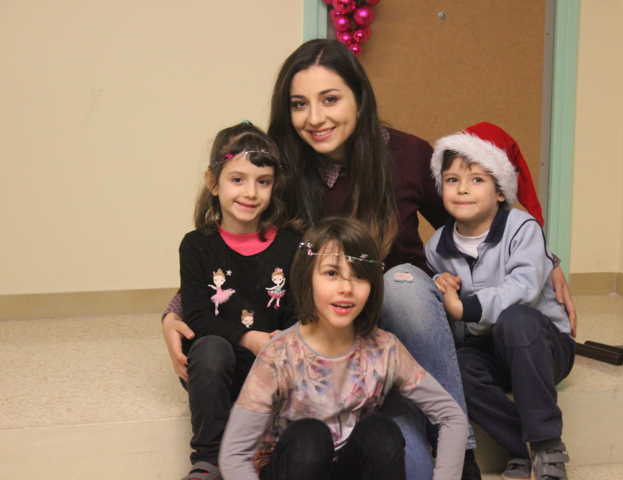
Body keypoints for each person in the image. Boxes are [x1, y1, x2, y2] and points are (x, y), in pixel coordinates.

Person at [162, 39, 576, 479]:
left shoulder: (409, 155)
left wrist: (541, 256)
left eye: (330, 99)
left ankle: (464, 454)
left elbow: (476, 214)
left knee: (402, 284)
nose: (315, 118)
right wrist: (179, 307)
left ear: (360, 96)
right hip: (324, 335)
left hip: (400, 330)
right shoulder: (281, 167)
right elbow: (244, 247)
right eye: (300, 104)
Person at [219, 217, 468, 480]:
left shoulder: (385, 349)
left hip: (351, 467)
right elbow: (234, 455)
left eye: (359, 276)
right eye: (331, 273)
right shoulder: (280, 354)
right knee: (309, 437)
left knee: (381, 433)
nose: (346, 288)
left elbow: (451, 416)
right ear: (307, 278)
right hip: (294, 464)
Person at [425, 122, 575, 480]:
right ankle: (516, 446)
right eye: (452, 180)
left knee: (516, 319)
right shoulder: (436, 247)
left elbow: (524, 285)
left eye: (477, 180)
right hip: (490, 350)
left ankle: (547, 444)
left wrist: (470, 306)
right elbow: (444, 305)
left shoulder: (522, 228)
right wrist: (438, 282)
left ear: (500, 192)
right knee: (457, 365)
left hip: (541, 346)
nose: (463, 189)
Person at [177, 122, 301, 480]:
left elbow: (297, 311)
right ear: (213, 182)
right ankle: (209, 459)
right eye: (237, 180)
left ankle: (271, 446)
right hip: (216, 369)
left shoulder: (291, 244)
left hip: (272, 364)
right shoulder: (196, 245)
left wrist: (280, 345)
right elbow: (198, 314)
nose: (250, 192)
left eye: (262, 181)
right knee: (211, 349)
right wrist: (248, 338)